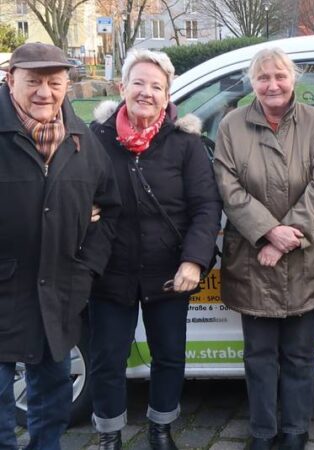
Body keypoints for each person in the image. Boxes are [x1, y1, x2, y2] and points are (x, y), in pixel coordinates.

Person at [88, 49, 222, 450]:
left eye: (156, 86)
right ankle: (109, 434)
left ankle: (160, 429)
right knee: (108, 360)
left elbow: (205, 206)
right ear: (122, 87)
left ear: (168, 96)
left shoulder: (185, 143)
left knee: (169, 357)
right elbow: (70, 188)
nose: (146, 92)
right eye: (139, 83)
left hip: (170, 271)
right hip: (110, 270)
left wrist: (195, 261)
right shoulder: (94, 139)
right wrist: (82, 206)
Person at [214, 47, 314, 450]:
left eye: (280, 76)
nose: (272, 85)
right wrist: (269, 232)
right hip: (254, 262)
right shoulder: (231, 126)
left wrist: (290, 235)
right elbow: (228, 188)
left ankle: (296, 432)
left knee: (301, 355)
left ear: (293, 79)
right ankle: (263, 433)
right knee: (259, 356)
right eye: (263, 77)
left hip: (305, 258)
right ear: (252, 82)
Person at [0, 42, 120, 449]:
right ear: (10, 79)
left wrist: (86, 269)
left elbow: (110, 209)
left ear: (67, 83)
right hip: (3, 289)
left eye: (55, 82)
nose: (44, 92)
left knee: (52, 397)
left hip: (61, 289)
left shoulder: (81, 139)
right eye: (33, 81)